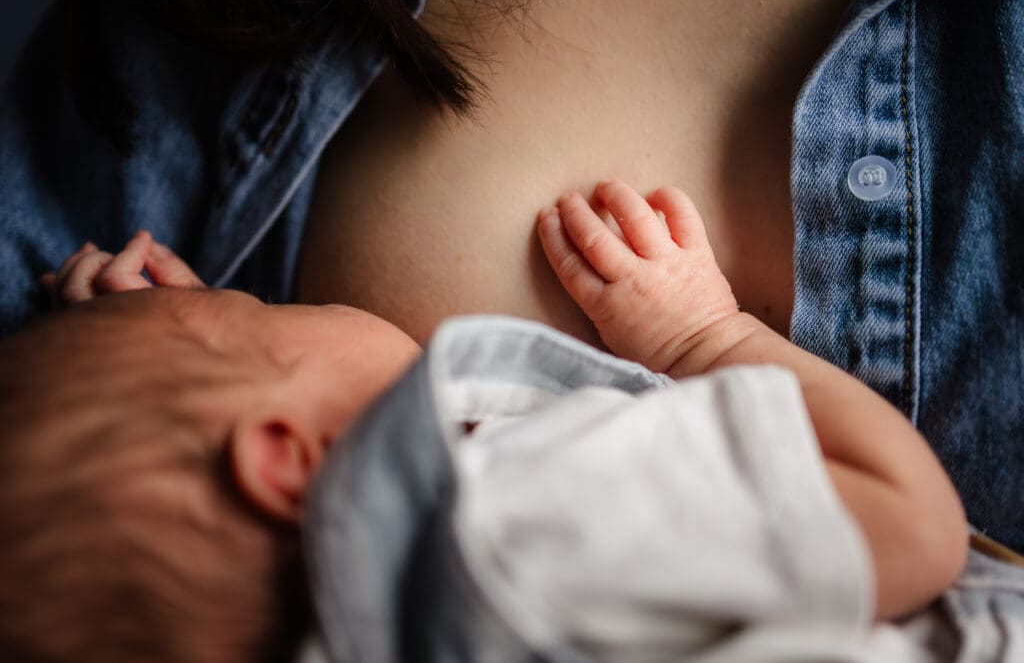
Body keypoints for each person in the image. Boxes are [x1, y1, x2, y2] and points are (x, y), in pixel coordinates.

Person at [0, 179, 966, 662]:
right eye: (256, 310)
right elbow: (916, 525)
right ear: (286, 459)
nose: (262, 298)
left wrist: (169, 355)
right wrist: (701, 341)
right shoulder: (511, 530)